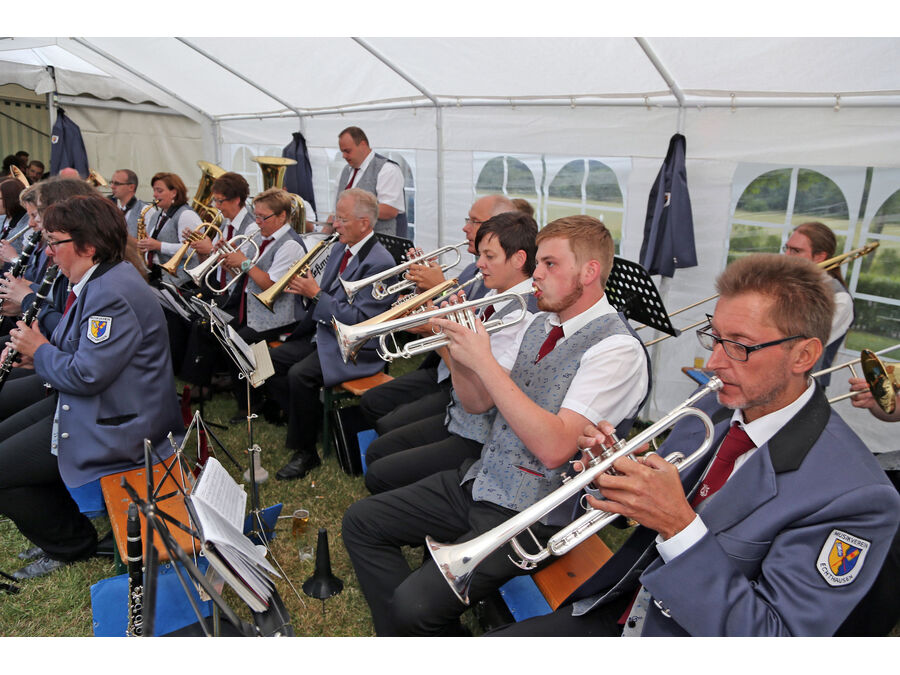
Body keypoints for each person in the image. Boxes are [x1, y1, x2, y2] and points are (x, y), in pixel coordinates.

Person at [489, 253, 900, 637]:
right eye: (714, 337)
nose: (715, 362)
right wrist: (618, 479)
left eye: (739, 345)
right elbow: (651, 512)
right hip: (621, 607)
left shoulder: (856, 494)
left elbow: (774, 638)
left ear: (804, 355)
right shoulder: (715, 405)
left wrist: (678, 525)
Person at [342, 215, 649, 636]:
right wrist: (459, 349)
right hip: (484, 480)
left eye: (550, 264)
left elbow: (555, 448)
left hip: (537, 515)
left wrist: (483, 361)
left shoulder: (617, 349)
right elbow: (478, 402)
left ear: (589, 272)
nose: (536, 274)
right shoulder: (541, 323)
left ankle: (413, 622)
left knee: (412, 607)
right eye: (538, 263)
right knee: (361, 521)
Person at [0, 193, 184, 580]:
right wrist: (39, 356)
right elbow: (83, 351)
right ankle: (62, 527)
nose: (48, 252)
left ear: (88, 246)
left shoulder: (110, 292)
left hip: (117, 425)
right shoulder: (102, 279)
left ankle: (70, 544)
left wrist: (40, 350)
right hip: (98, 407)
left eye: (54, 242)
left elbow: (86, 375)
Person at [363, 210, 540, 495]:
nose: (479, 263)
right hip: (458, 414)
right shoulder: (495, 293)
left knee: (379, 471)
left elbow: (481, 393)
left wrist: (437, 333)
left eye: (489, 256)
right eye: (481, 255)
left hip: (479, 433)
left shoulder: (522, 312)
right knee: (378, 450)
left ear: (519, 259)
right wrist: (435, 324)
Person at [267, 188, 397, 481]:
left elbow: (361, 322)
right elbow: (324, 296)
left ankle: (306, 452)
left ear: (364, 223)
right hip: (326, 333)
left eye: (342, 219)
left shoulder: (380, 262)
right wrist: (306, 293)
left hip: (356, 347)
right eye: (336, 218)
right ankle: (307, 421)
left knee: (299, 375)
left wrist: (315, 294)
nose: (335, 225)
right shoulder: (340, 248)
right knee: (270, 363)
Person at [358, 194, 516, 433]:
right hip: (443, 369)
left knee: (389, 423)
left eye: (474, 221)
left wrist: (438, 287)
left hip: (462, 380)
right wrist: (422, 292)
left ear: (499, 228)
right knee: (373, 402)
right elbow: (442, 313)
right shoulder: (471, 270)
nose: (465, 228)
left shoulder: (499, 283)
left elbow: (464, 331)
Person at [782, 221, 853, 378]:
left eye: (796, 251)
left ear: (820, 257)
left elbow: (801, 343)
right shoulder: (787, 283)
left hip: (804, 382)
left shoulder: (839, 299)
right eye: (786, 248)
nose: (787, 255)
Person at [332, 126, 405, 235]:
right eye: (342, 151)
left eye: (347, 151)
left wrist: (352, 211)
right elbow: (336, 212)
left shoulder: (387, 169)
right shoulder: (345, 172)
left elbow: (390, 210)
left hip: (379, 241)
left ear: (363, 145)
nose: (343, 156)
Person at [135, 172, 202, 286]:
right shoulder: (157, 215)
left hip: (183, 281)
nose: (155, 195)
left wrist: (158, 246)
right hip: (159, 274)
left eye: (159, 191)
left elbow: (191, 250)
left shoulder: (186, 215)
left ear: (174, 193)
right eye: (154, 190)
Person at [107, 169, 145, 237]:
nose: (112, 187)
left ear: (131, 187)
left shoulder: (145, 211)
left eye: (117, 183)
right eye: (111, 182)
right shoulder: (110, 207)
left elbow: (147, 241)